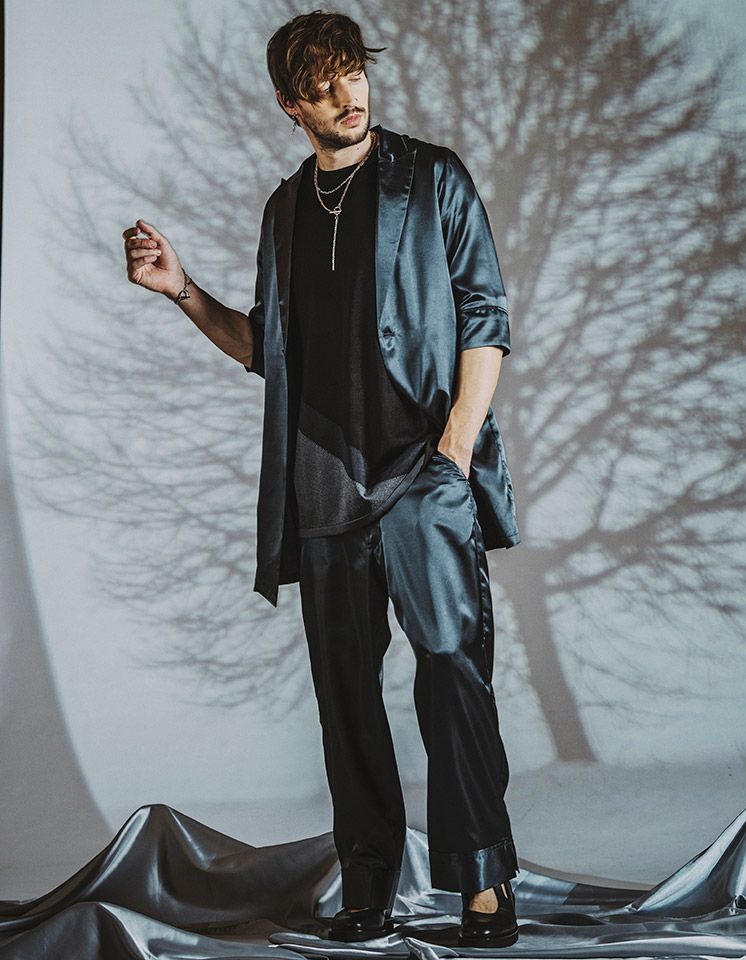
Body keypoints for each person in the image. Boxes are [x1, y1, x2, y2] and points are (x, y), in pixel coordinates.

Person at [121, 9, 521, 949]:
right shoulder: (287, 210)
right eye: (325, 84)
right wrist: (183, 291)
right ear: (290, 104)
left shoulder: (432, 177)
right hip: (325, 484)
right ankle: (370, 889)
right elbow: (268, 350)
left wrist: (456, 447)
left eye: (355, 74)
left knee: (452, 672)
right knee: (345, 698)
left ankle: (484, 889)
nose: (349, 96)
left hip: (422, 471)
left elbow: (484, 314)